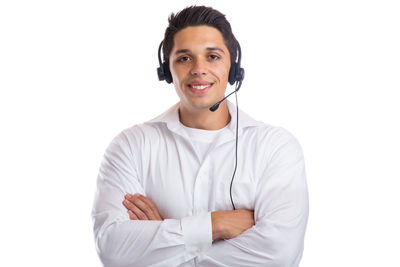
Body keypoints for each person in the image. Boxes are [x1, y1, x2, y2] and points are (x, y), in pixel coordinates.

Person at [92, 5, 308, 267]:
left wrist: (162, 240)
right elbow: (114, 250)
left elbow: (280, 255)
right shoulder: (131, 146)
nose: (198, 69)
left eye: (213, 56)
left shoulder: (275, 147)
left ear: (233, 66)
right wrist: (216, 225)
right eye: (184, 58)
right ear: (166, 71)